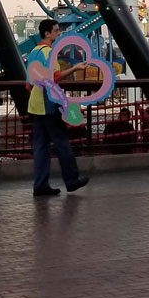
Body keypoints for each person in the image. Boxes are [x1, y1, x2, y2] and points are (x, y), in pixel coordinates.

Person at [28, 18, 89, 196]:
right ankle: (71, 180)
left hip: (35, 103)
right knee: (62, 142)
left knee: (40, 146)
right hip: (49, 103)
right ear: (47, 34)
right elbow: (54, 77)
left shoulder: (33, 51)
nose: (59, 33)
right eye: (56, 31)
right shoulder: (49, 52)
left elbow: (29, 81)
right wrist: (75, 68)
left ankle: (40, 185)